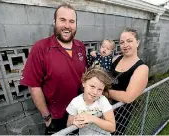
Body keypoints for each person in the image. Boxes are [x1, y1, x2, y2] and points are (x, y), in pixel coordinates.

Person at [20, 3, 87, 135]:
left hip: (79, 111)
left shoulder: (80, 46)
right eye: (62, 20)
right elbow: (34, 86)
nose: (67, 25)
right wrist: (47, 118)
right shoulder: (41, 48)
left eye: (71, 21)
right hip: (56, 116)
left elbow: (83, 75)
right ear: (54, 22)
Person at [109, 28, 149, 135]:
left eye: (129, 41)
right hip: (103, 106)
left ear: (137, 42)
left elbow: (128, 97)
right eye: (122, 42)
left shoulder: (141, 68)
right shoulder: (115, 59)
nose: (125, 45)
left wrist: (103, 91)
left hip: (120, 114)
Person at [66, 65, 116, 135]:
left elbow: (112, 127)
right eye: (92, 86)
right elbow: (68, 124)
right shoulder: (75, 103)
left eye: (100, 89)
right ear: (84, 83)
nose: (95, 92)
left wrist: (93, 118)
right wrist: (73, 122)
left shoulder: (102, 100)